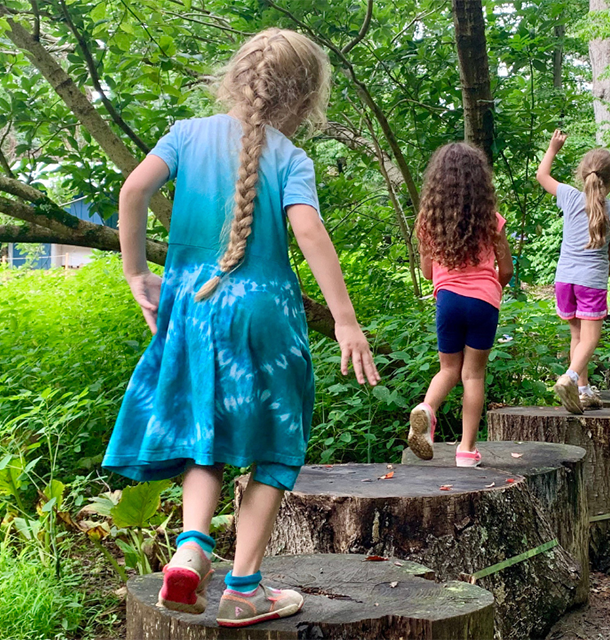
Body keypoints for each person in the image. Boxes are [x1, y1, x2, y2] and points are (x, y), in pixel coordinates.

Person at [102, 28, 380, 628]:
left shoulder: (186, 135)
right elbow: (308, 232)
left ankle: (193, 546)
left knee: (205, 435)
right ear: (304, 98)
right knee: (275, 451)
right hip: (265, 319)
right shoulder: (291, 157)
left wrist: (135, 273)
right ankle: (244, 588)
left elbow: (132, 190)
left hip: (192, 309)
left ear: (234, 77)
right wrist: (346, 321)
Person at [408, 143, 514, 467]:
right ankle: (467, 451)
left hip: (448, 301)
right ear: (479, 181)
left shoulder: (428, 222)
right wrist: (491, 288)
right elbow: (506, 270)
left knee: (448, 369)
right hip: (484, 302)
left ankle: (427, 408)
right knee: (473, 376)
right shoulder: (491, 220)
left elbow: (427, 273)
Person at [536, 130, 610, 414]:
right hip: (591, 281)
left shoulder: (568, 196)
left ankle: (582, 391)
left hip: (564, 278)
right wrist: (605, 274)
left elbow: (542, 176)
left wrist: (553, 148)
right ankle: (570, 377)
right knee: (591, 338)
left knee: (577, 337)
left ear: (582, 174)